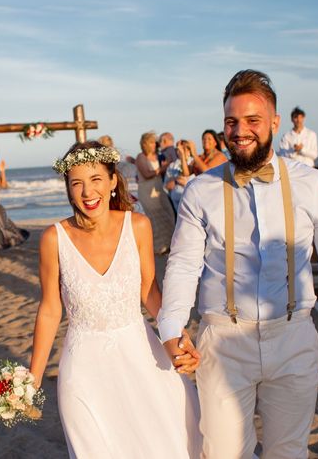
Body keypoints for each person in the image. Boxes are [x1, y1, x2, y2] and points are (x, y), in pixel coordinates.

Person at [158, 70, 318, 458]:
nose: (240, 131)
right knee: (223, 453)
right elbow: (185, 264)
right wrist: (171, 327)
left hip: (293, 337)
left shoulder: (310, 183)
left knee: (288, 450)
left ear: (274, 122)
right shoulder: (200, 189)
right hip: (221, 342)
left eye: (252, 120)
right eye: (231, 122)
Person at [29, 141, 202, 458]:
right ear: (67, 188)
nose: (87, 192)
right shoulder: (53, 238)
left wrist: (176, 336)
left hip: (142, 358)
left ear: (112, 181)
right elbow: (50, 310)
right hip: (83, 369)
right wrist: (33, 379)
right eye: (76, 183)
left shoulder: (137, 226)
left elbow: (149, 291)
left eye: (95, 179)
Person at [136, 131, 175, 254]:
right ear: (145, 144)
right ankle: (158, 247)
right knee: (154, 217)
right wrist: (163, 168)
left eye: (155, 142)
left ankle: (170, 244)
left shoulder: (158, 156)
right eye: (152, 142)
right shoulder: (141, 157)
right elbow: (147, 174)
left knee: (168, 213)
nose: (155, 144)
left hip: (158, 188)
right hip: (147, 190)